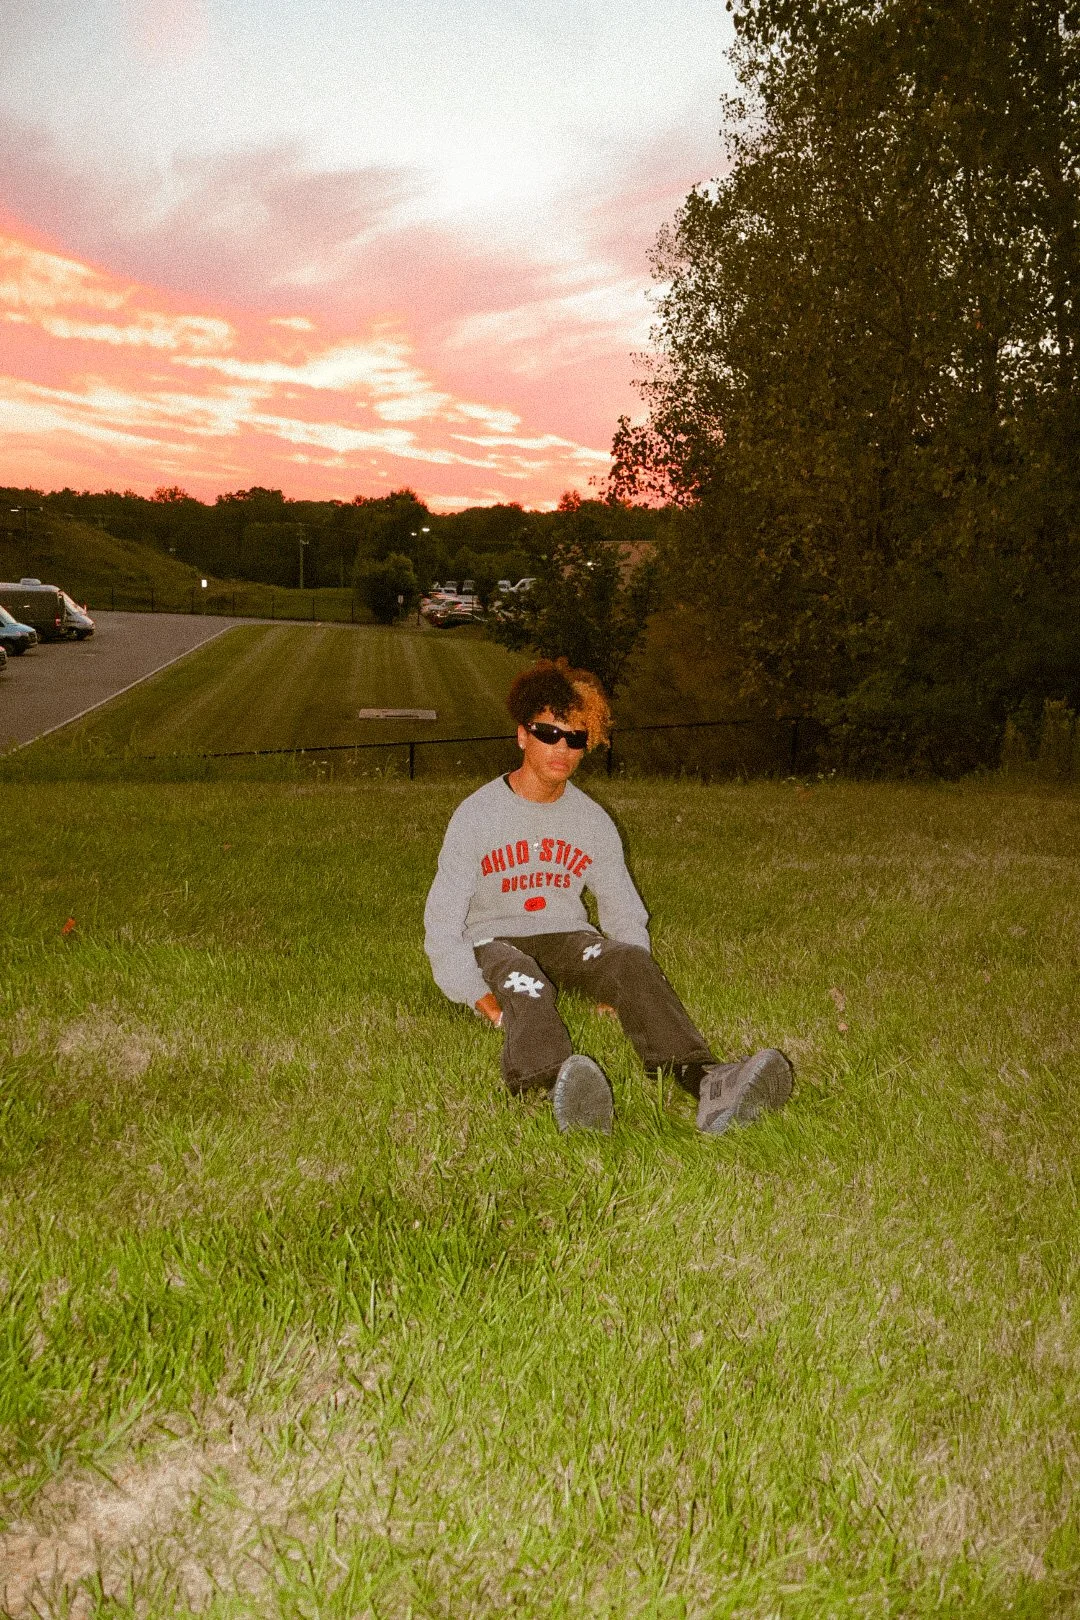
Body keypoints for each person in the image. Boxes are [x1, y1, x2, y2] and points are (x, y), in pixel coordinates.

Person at [423, 658, 793, 1134]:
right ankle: (551, 1088)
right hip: (494, 939)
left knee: (631, 961)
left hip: (567, 937)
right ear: (522, 735)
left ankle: (704, 1080)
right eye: (548, 732)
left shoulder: (592, 821)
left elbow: (622, 910)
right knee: (523, 982)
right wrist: (476, 995)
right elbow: (442, 922)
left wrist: (619, 987)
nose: (562, 748)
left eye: (576, 737)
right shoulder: (475, 817)